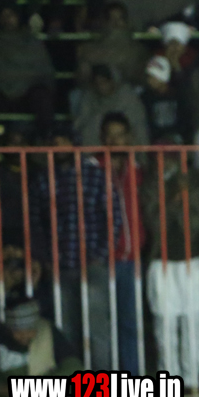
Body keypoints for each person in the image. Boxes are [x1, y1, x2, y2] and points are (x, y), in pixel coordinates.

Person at [28, 125, 125, 370]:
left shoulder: (96, 176)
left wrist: (100, 255)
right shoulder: (44, 179)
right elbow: (36, 223)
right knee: (66, 330)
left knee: (97, 329)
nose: (58, 148)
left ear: (75, 146)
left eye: (62, 142)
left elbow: (114, 218)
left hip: (92, 264)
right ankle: (73, 382)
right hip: (60, 265)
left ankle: (101, 383)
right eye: (54, 143)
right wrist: (46, 259)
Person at [141, 141, 199, 392]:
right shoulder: (149, 185)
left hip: (193, 262)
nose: (166, 163)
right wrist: (174, 195)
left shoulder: (197, 183)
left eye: (171, 157)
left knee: (194, 324)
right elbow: (154, 223)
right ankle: (169, 380)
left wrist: (178, 197)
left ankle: (191, 381)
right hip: (161, 264)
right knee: (165, 326)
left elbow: (195, 223)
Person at [0, 299, 81, 397]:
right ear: (8, 329)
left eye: (29, 330)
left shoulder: (48, 332)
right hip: (7, 395)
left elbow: (73, 366)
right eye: (18, 331)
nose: (24, 335)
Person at [100, 112, 144, 375]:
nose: (115, 140)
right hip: (102, 260)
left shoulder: (138, 169)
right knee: (103, 325)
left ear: (129, 137)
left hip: (132, 259)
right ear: (102, 138)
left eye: (120, 135)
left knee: (130, 323)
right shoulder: (93, 169)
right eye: (110, 135)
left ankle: (132, 378)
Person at [0, 4, 56, 145]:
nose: (7, 19)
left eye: (10, 15)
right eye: (3, 15)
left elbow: (45, 72)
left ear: (18, 16)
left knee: (42, 96)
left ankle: (46, 140)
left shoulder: (32, 41)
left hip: (26, 95)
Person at [76, 2, 149, 91]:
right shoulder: (90, 47)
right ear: (105, 22)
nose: (115, 24)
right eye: (111, 19)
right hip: (94, 94)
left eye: (120, 19)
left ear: (126, 22)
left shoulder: (137, 49)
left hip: (127, 93)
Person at [74, 64, 149, 147]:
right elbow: (80, 122)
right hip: (99, 146)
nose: (101, 86)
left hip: (128, 147)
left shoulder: (127, 95)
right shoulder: (89, 96)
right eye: (97, 83)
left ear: (112, 81)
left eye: (104, 82)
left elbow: (138, 123)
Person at [141, 56, 191, 144]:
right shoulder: (146, 98)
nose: (149, 80)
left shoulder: (179, 95)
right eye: (148, 77)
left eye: (153, 77)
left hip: (177, 141)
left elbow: (185, 121)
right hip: (155, 143)